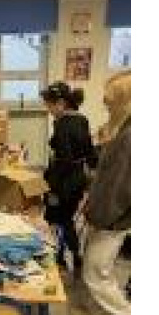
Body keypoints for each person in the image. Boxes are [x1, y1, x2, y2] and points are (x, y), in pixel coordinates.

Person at [81, 70, 131, 315]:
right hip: (108, 213)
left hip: (112, 218)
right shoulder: (123, 131)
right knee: (102, 269)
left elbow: (120, 186)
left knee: (95, 272)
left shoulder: (129, 136)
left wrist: (101, 216)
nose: (106, 107)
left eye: (110, 102)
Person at [40, 81, 97, 277]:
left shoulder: (63, 123)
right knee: (67, 219)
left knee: (58, 220)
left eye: (49, 105)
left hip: (63, 181)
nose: (48, 110)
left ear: (61, 103)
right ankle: (73, 257)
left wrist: (53, 189)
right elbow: (91, 153)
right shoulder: (82, 119)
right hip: (77, 179)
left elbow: (64, 160)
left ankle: (62, 259)